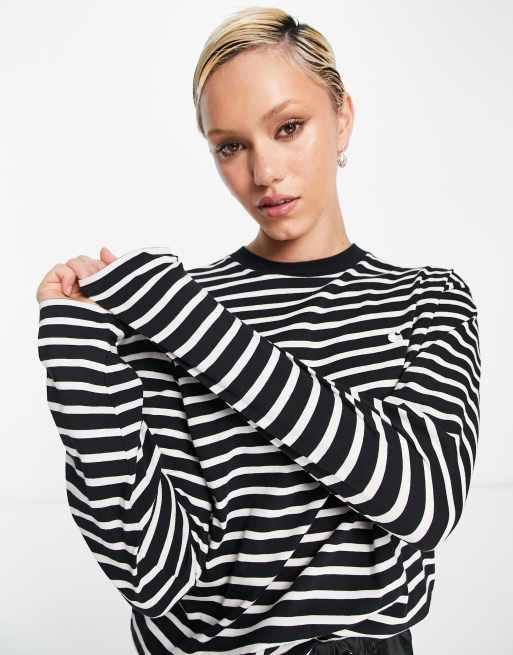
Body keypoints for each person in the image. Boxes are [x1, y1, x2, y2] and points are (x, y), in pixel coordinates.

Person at [35, 7, 481, 655]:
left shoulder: (425, 299)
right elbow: (158, 575)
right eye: (231, 146)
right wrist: (79, 370)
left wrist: (189, 318)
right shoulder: (165, 314)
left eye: (288, 127)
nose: (264, 172)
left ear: (342, 117)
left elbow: (423, 501)